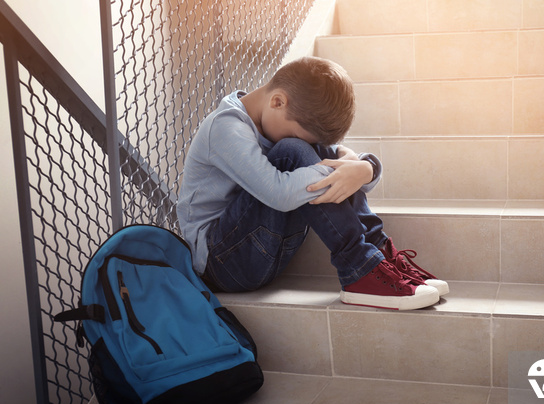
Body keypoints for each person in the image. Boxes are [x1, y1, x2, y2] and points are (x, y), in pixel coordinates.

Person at [177, 56, 448, 310]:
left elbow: (339, 159)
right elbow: (279, 193)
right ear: (278, 102)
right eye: (300, 133)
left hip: (265, 248)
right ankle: (359, 268)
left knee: (319, 154)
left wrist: (364, 168)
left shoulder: (279, 114)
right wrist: (351, 170)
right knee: (292, 151)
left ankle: (378, 255)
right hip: (223, 264)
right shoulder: (225, 127)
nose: (309, 146)